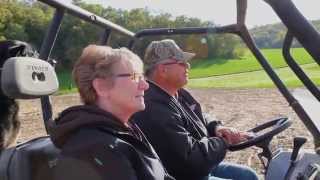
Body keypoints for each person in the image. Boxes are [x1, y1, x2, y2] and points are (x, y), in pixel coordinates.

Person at [132, 39, 259, 180]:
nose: (188, 66)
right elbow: (190, 161)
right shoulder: (154, 107)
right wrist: (224, 141)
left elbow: (199, 116)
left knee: (249, 175)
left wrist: (216, 127)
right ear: (163, 69)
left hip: (199, 167)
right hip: (183, 174)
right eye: (181, 63)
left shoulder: (176, 93)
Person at [49, 45, 175, 180]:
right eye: (135, 76)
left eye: (142, 77)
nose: (145, 85)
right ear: (101, 87)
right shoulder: (96, 148)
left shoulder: (123, 129)